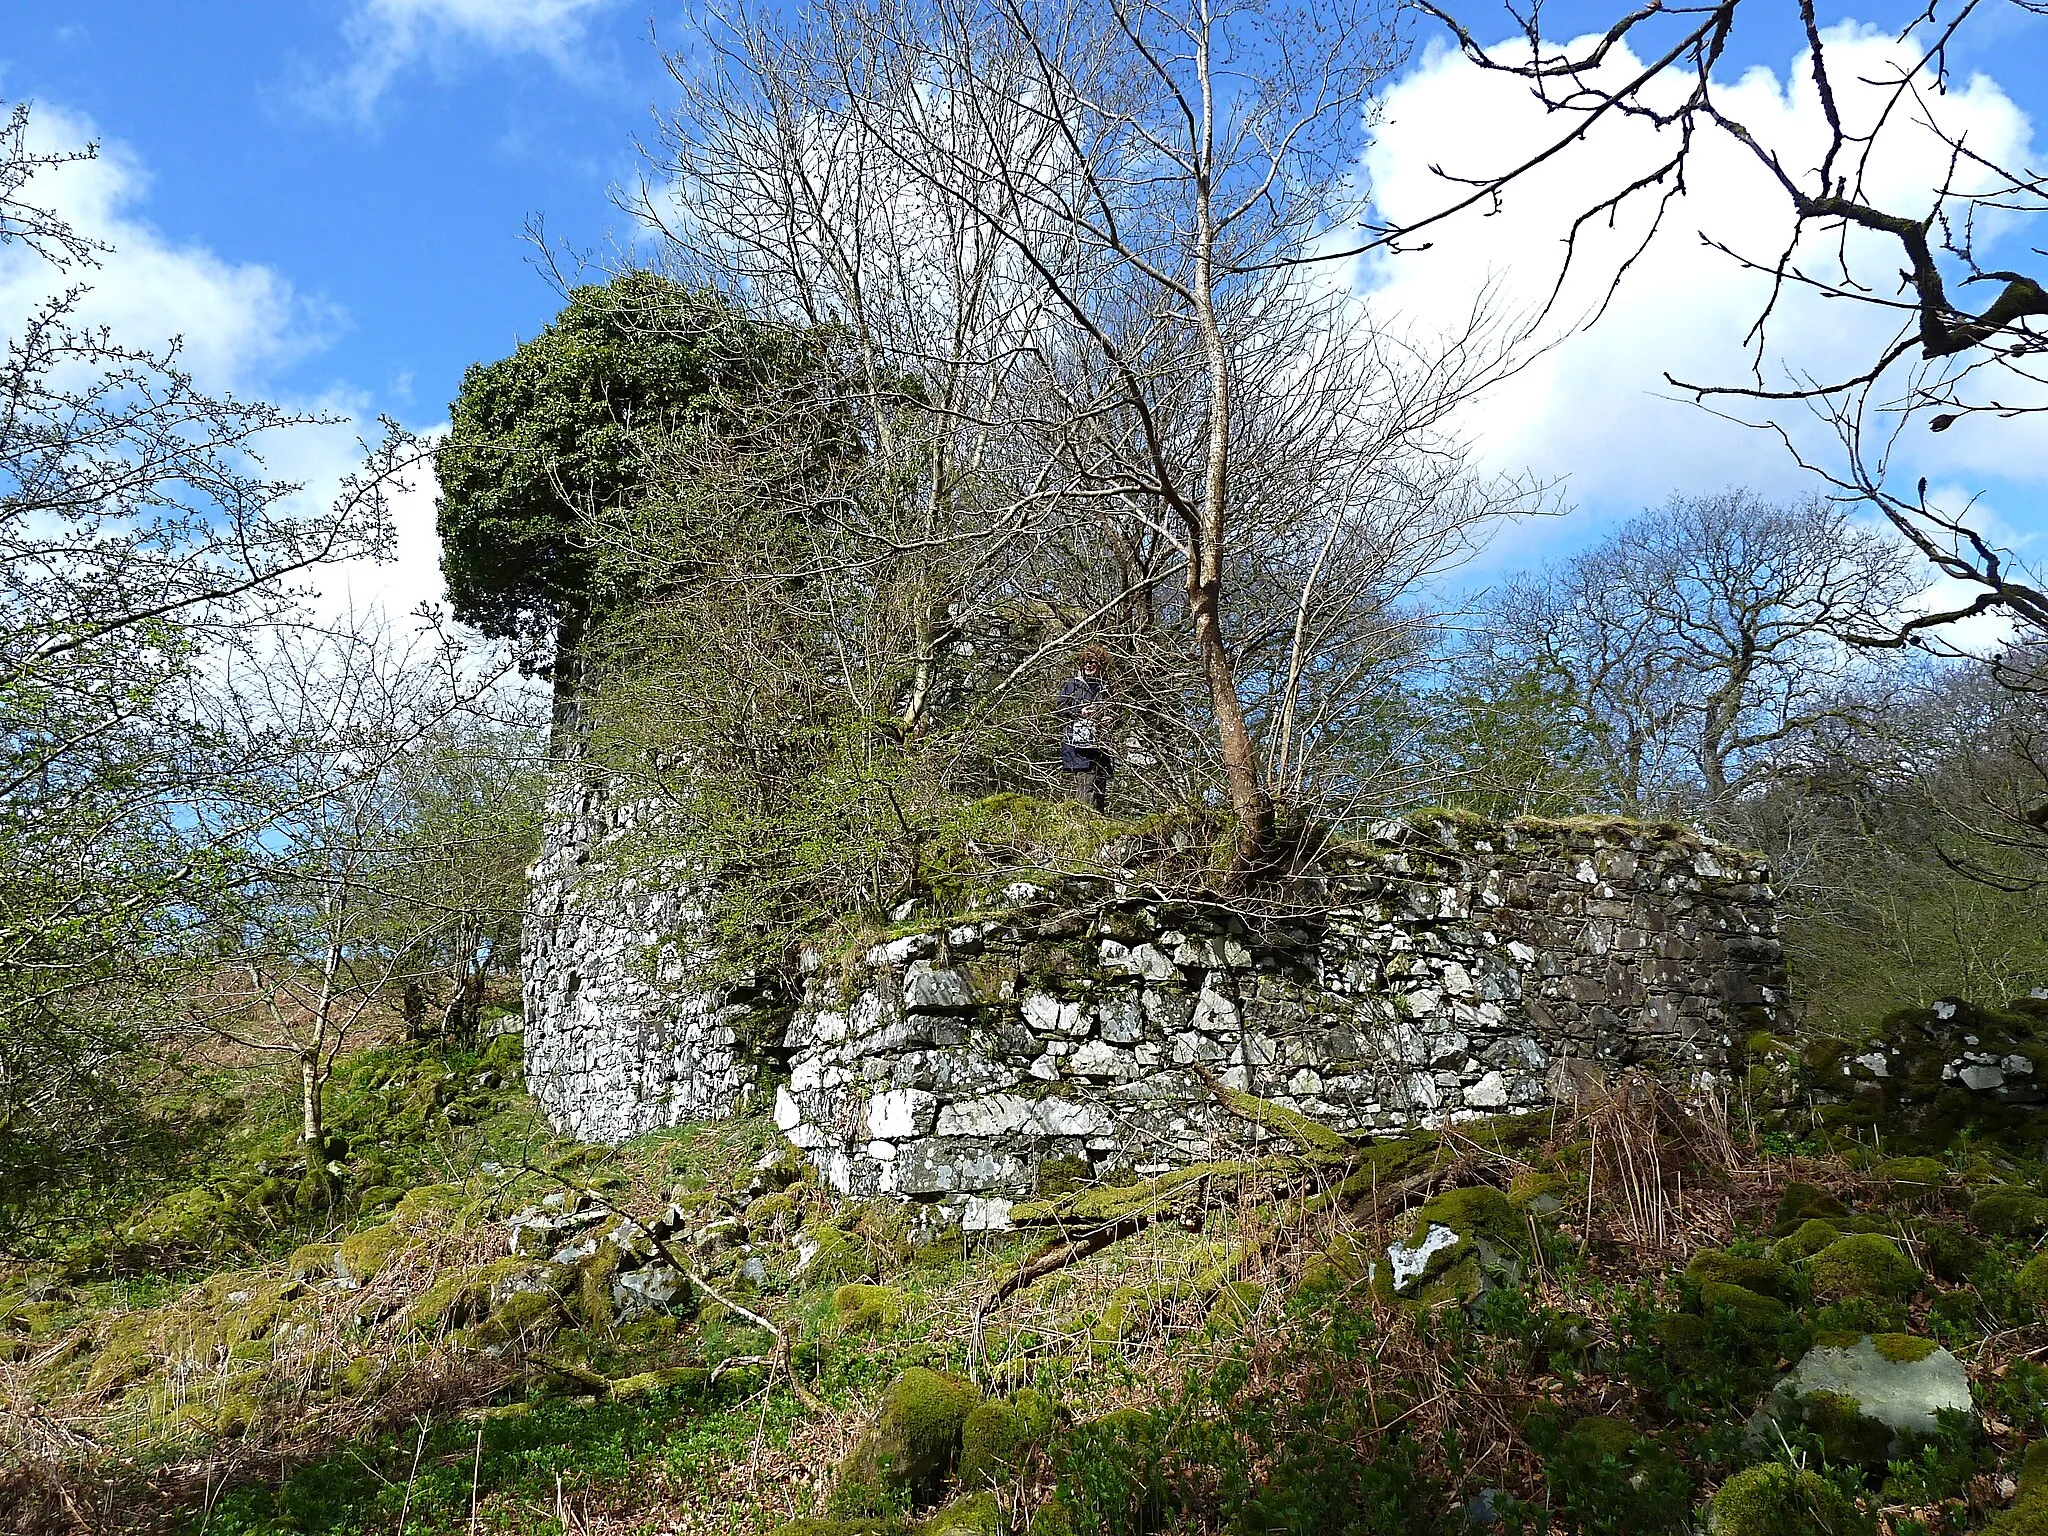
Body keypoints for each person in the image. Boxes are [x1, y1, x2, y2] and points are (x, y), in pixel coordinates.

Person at [1057, 646, 1114, 810]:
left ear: (1100, 664)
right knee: (1086, 786)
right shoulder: (1073, 685)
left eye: (1093, 662)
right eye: (1086, 662)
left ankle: (1099, 826)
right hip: (1079, 746)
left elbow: (1117, 712)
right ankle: (1085, 826)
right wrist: (1079, 712)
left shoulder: (1106, 688)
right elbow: (1060, 708)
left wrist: (1110, 718)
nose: (1089, 665)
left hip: (1101, 744)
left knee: (1100, 788)